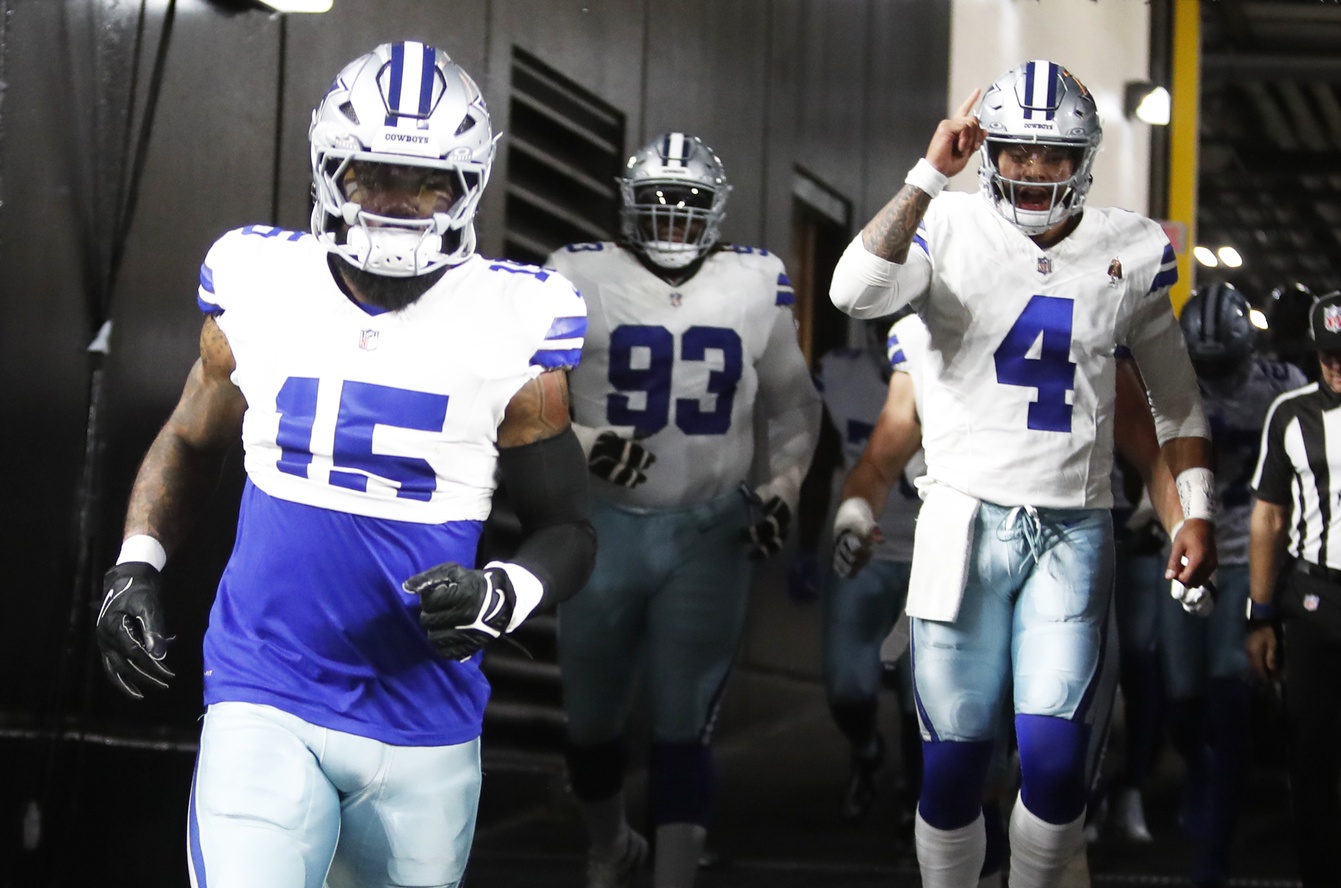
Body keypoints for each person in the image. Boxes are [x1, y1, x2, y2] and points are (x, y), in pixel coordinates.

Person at [93, 42, 596, 888]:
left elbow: (567, 528)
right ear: (332, 169)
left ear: (467, 184)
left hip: (423, 721)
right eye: (373, 173)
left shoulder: (515, 317)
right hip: (265, 691)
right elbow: (189, 438)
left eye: (425, 180)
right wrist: (137, 562)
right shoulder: (260, 283)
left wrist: (506, 594)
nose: (398, 201)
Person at [828, 60, 1216, 888]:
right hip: (959, 530)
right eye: (1013, 152)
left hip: (1072, 532)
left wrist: (1193, 513)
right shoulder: (947, 223)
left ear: (1083, 157)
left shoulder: (1130, 247)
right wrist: (929, 173)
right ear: (986, 152)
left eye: (1052, 156)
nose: (1032, 172)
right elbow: (852, 291)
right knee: (952, 773)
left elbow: (1175, 403)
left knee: (1051, 770)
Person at [546, 131, 821, 888]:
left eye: (689, 203)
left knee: (683, 719)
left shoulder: (753, 279)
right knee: (591, 723)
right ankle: (609, 843)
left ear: (717, 209)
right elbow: (521, 399)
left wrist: (782, 489)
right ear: (628, 204)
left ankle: (672, 877)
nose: (672, 217)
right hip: (601, 527)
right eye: (658, 201)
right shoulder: (575, 273)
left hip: (709, 528)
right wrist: (586, 438)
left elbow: (796, 405)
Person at [1158, 283, 1306, 887]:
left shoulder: (1281, 385)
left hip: (1248, 556)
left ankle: (1215, 843)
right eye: (1206, 367)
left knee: (1229, 698)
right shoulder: (1167, 382)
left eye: (1223, 367)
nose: (1214, 379)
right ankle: (1202, 772)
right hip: (1188, 554)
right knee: (1182, 699)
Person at [792, 315, 924, 827]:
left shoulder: (955, 365)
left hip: (933, 555)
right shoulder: (839, 374)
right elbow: (821, 461)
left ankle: (918, 803)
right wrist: (806, 547)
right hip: (864, 554)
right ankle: (867, 750)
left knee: (924, 698)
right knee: (847, 688)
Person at [1247, 290, 1341, 888]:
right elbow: (1269, 517)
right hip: (1314, 599)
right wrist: (1260, 614)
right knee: (1311, 754)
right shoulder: (1291, 413)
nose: (1338, 366)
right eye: (1330, 354)